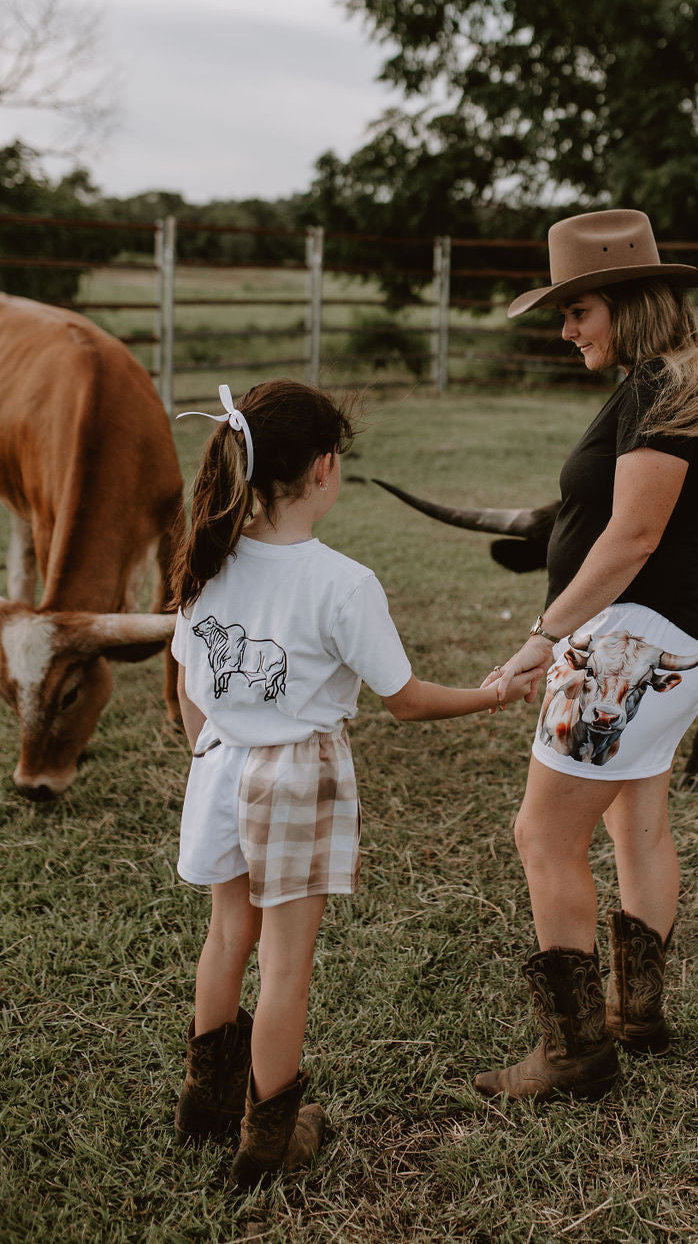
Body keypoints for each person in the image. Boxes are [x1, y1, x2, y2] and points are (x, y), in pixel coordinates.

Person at [168, 379, 535, 1187]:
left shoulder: (206, 559)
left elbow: (192, 691)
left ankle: (203, 1104)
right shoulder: (343, 583)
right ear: (325, 467)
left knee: (228, 936)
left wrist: (213, 755)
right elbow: (405, 701)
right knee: (286, 966)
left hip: (220, 765)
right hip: (296, 777)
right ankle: (268, 1136)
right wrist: (495, 692)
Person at [475, 208, 698, 1102]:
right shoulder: (682, 382)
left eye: (580, 310)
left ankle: (573, 1055)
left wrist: (542, 636)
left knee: (543, 833)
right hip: (672, 642)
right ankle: (634, 1013)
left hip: (627, 651)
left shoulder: (659, 394)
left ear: (633, 302)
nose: (566, 330)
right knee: (635, 817)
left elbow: (632, 536)